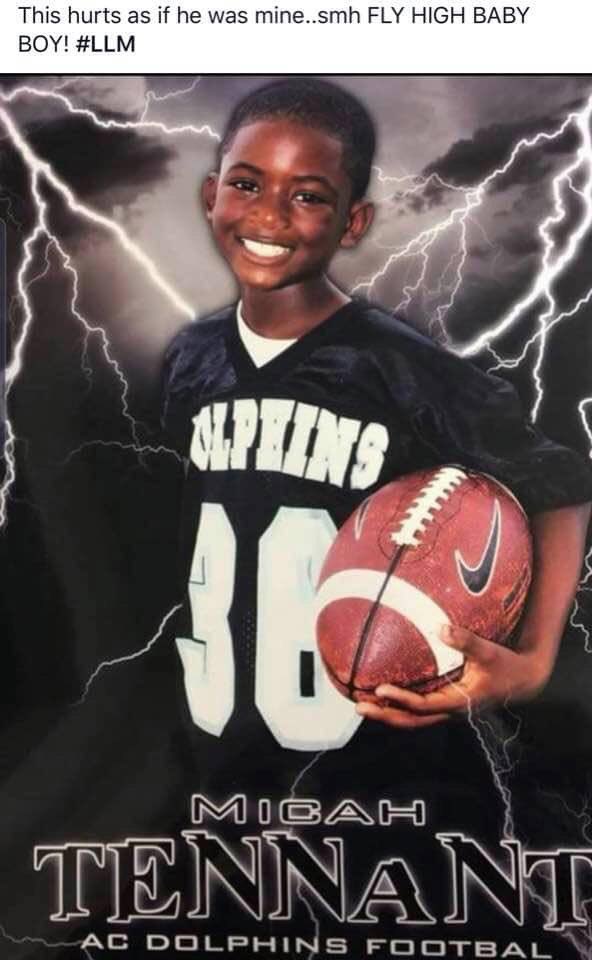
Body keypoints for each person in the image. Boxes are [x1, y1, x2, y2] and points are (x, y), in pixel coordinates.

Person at [161, 77, 592, 947]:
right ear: (213, 195)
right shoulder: (191, 359)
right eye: (247, 182)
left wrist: (535, 661)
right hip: (230, 777)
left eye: (308, 194)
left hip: (378, 778)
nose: (269, 213)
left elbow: (562, 482)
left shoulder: (398, 367)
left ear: (352, 222)